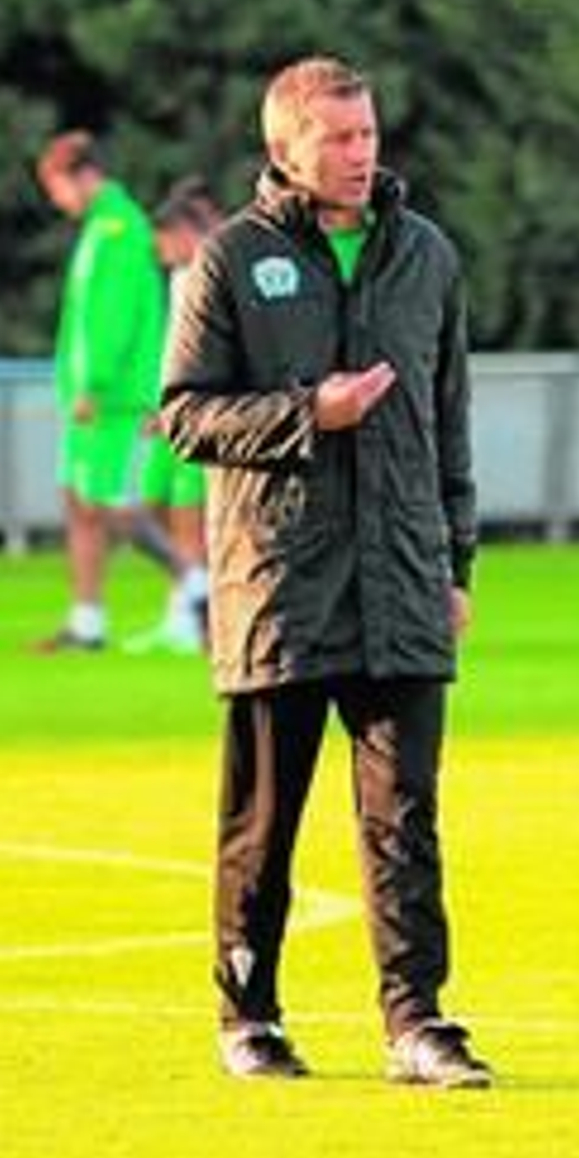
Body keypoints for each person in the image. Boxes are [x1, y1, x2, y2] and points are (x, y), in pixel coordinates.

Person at [162, 56, 490, 1087]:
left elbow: (448, 425)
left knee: (406, 820)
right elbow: (181, 415)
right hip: (281, 584)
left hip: (402, 575)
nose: (360, 155)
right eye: (337, 139)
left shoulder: (426, 256)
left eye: (367, 134)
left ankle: (416, 1023)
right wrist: (313, 413)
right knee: (264, 822)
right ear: (283, 149)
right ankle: (247, 1015)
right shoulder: (228, 259)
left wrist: (456, 561)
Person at [35, 132, 185, 653]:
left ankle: (193, 586)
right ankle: (86, 621)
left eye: (56, 188)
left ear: (82, 176)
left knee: (108, 504)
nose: (57, 201)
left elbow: (113, 319)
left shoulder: (117, 228)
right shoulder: (101, 226)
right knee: (80, 501)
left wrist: (93, 382)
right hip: (92, 396)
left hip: (112, 396)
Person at [121, 178, 225, 656]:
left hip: (201, 417)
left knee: (189, 518)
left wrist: (187, 405)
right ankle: (190, 602)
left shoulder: (215, 272)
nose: (157, 251)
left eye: (161, 240)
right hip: (173, 412)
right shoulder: (181, 275)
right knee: (143, 512)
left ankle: (194, 619)